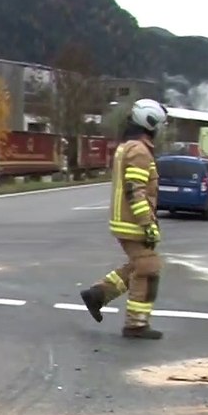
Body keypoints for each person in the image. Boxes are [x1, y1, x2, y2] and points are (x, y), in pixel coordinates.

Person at [79, 98, 168, 339]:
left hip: (125, 220)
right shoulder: (139, 151)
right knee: (148, 268)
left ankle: (97, 295)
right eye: (159, 125)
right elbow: (135, 189)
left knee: (140, 264)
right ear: (150, 123)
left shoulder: (128, 146)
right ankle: (136, 324)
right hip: (133, 222)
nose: (160, 130)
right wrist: (147, 224)